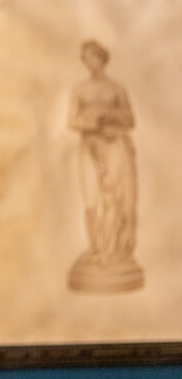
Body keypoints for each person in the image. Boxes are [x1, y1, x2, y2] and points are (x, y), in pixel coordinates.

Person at [67, 39, 142, 291]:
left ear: (102, 59)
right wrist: (93, 123)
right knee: (91, 199)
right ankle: (96, 248)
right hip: (89, 146)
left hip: (114, 146)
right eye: (86, 58)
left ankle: (113, 250)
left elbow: (130, 119)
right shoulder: (80, 89)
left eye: (94, 57)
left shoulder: (116, 88)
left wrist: (111, 116)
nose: (90, 62)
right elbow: (72, 121)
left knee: (114, 198)